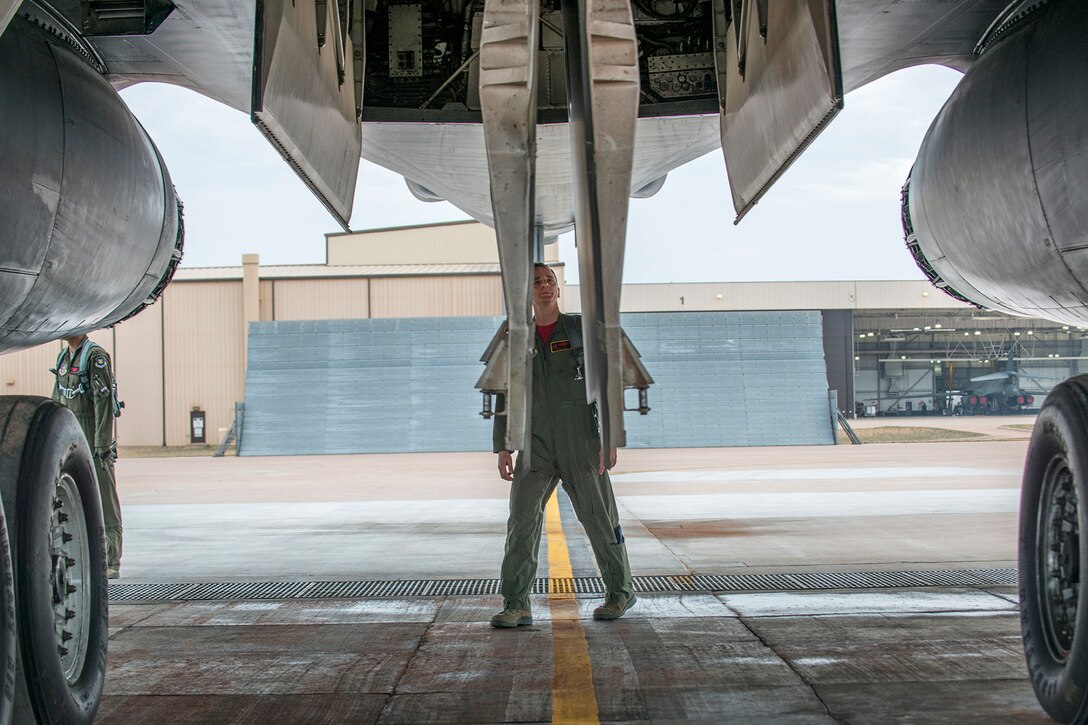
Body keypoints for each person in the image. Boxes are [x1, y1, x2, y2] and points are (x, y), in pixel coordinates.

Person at [490, 263, 636, 628]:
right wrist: (503, 447)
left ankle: (620, 593)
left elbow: (605, 382)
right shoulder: (513, 334)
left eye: (549, 281)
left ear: (558, 289)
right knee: (521, 522)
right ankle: (516, 604)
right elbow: (503, 392)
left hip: (581, 439)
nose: (543, 286)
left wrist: (611, 435)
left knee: (600, 518)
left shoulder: (580, 329)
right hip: (533, 442)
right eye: (536, 281)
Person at [51, 333, 123, 579]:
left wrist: (102, 443)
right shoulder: (64, 358)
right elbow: (57, 399)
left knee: (104, 500)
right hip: (72, 438)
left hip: (92, 438)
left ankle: (111, 559)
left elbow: (104, 401)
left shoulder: (96, 357)